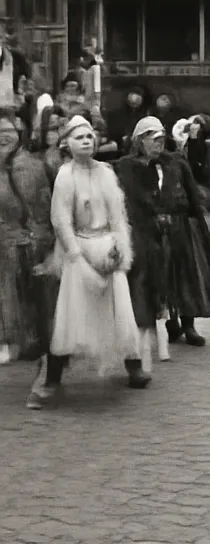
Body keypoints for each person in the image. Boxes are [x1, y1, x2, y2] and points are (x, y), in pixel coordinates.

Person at [46, 115, 144, 391]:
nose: (86, 141)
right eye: (79, 137)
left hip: (108, 246)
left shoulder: (105, 172)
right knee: (71, 311)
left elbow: (118, 215)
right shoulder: (65, 176)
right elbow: (60, 220)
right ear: (67, 144)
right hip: (80, 248)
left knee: (120, 308)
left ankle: (133, 366)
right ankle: (54, 374)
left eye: (89, 136)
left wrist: (120, 247)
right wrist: (76, 256)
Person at [115, 117, 210, 351]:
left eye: (161, 139)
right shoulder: (129, 167)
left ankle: (189, 324)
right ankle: (170, 322)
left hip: (180, 226)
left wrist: (203, 218)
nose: (158, 144)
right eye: (153, 140)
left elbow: (193, 194)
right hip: (148, 230)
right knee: (159, 276)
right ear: (140, 141)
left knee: (186, 275)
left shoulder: (176, 163)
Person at [0, 107, 56, 377]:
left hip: (27, 243)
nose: (2, 136)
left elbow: (44, 207)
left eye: (8, 131)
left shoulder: (34, 167)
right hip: (5, 241)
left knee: (32, 297)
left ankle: (33, 341)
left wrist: (40, 241)